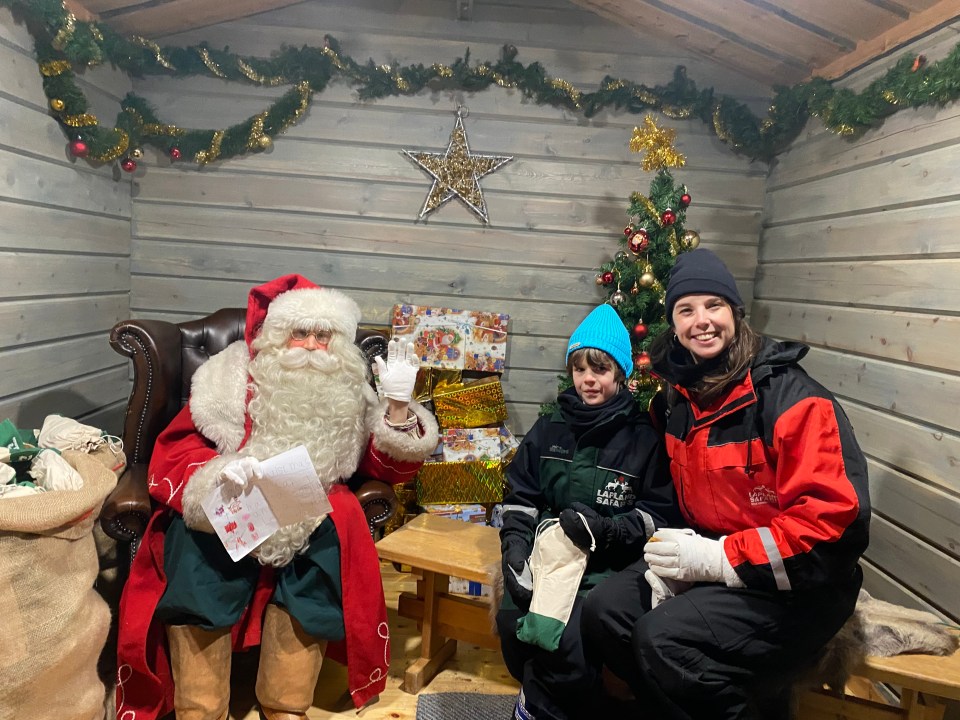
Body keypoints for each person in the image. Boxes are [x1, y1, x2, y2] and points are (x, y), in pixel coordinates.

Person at [116, 274, 439, 720]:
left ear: (338, 343)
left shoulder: (352, 390)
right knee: (196, 550)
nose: (308, 345)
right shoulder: (228, 378)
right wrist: (220, 473)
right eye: (299, 332)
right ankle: (200, 708)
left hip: (313, 501)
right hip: (234, 496)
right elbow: (177, 447)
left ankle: (285, 705)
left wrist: (398, 409)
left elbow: (386, 470)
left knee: (325, 549)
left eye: (322, 335)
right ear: (276, 337)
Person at [580, 248, 871, 719]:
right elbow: (668, 492)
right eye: (685, 310)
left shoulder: (794, 401)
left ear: (735, 312)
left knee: (665, 640)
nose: (702, 321)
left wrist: (718, 560)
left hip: (801, 586)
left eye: (713, 305)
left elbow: (831, 532)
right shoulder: (676, 400)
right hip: (714, 561)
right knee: (605, 612)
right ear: (673, 324)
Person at [496, 303, 678, 720]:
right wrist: (515, 546)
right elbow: (521, 495)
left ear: (620, 373)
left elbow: (657, 513)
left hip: (608, 563)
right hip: (550, 554)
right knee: (512, 624)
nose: (588, 380)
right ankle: (540, 697)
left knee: (566, 640)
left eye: (599, 369)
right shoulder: (550, 428)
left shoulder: (643, 440)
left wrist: (608, 530)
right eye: (580, 369)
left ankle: (543, 708)